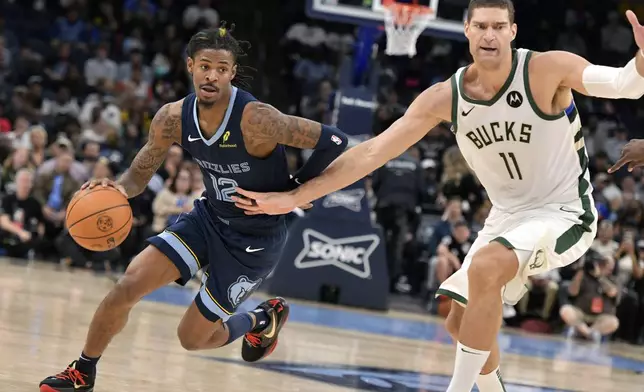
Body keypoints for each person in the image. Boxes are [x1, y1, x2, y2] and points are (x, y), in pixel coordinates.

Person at [232, 2, 644, 391]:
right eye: (481, 26)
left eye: (499, 26)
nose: (490, 35)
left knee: (485, 268)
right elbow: (372, 152)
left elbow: (625, 84)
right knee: (458, 320)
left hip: (565, 212)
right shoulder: (445, 97)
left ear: (513, 32)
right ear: (466, 31)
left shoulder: (546, 69)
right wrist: (296, 197)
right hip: (507, 217)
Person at [39, 24, 348, 392]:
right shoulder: (172, 118)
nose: (212, 75)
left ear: (232, 72)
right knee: (127, 286)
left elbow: (334, 140)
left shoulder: (257, 119)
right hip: (208, 218)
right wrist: (117, 188)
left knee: (193, 338)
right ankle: (83, 372)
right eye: (205, 66)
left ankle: (262, 319)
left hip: (256, 236)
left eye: (221, 68)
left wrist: (297, 190)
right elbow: (139, 174)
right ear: (190, 66)